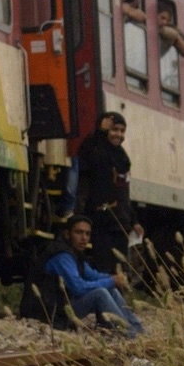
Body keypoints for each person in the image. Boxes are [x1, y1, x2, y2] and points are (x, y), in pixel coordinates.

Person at [45, 216, 143, 334]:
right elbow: (78, 287)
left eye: (87, 234)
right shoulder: (62, 256)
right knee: (100, 293)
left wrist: (114, 278)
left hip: (64, 307)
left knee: (110, 289)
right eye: (79, 232)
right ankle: (129, 334)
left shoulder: (75, 254)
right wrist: (111, 281)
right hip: (51, 311)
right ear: (67, 234)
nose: (84, 238)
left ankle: (139, 331)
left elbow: (92, 275)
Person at [72, 112, 142, 273]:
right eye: (114, 130)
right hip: (101, 221)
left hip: (121, 223)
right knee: (104, 269)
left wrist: (135, 221)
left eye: (122, 131)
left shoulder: (123, 158)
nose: (119, 134)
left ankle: (118, 298)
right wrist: (99, 132)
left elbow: (123, 194)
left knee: (120, 271)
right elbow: (86, 154)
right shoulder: (96, 150)